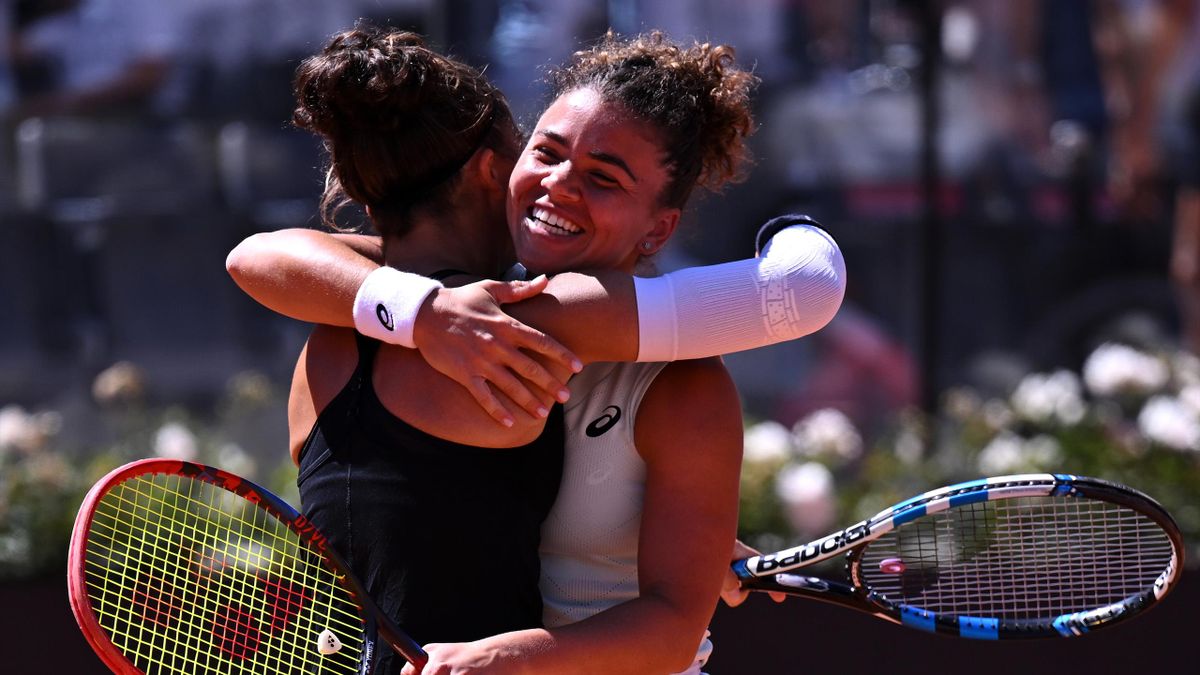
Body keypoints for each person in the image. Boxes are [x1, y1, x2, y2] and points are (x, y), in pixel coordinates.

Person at [227, 26, 846, 674]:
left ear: (660, 227)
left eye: (604, 177)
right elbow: (261, 257)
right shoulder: (448, 306)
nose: (560, 185)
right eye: (545, 152)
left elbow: (264, 258)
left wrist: (508, 654)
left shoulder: (674, 380)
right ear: (502, 167)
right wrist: (424, 312)